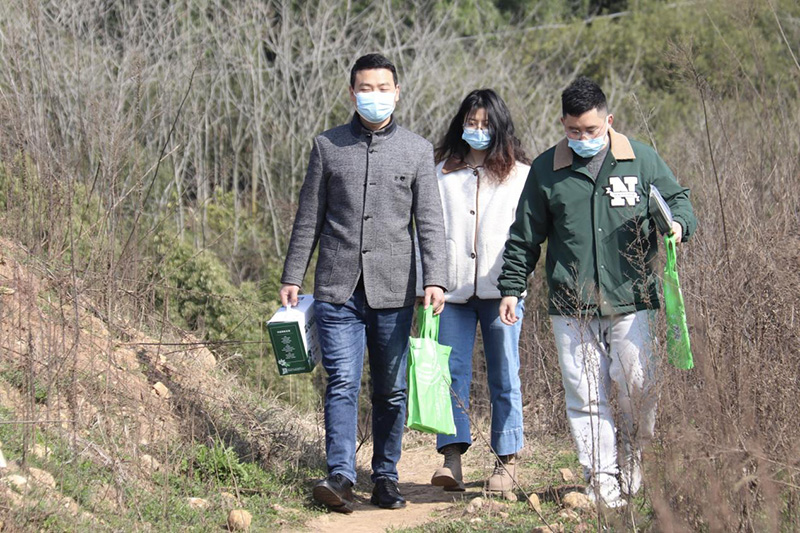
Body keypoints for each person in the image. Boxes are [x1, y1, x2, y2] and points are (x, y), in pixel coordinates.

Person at [497, 77, 697, 508]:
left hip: (632, 298)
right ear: (562, 124)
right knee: (585, 398)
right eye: (573, 131)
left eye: (591, 130)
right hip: (572, 305)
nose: (583, 138)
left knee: (638, 389)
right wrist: (512, 287)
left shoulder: (640, 160)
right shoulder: (547, 170)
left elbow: (679, 201)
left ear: (608, 121)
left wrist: (678, 226)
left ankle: (631, 463)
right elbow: (524, 236)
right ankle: (601, 481)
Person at [279, 53, 447, 514]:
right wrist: (293, 274)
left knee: (391, 388)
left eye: (382, 88)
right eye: (365, 89)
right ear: (351, 93)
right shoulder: (327, 146)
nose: (374, 96)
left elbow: (430, 222)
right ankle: (341, 475)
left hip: (395, 289)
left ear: (397, 92)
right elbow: (308, 216)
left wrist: (436, 279)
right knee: (342, 381)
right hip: (337, 286)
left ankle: (387, 476)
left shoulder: (417, 149)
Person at [423, 89, 531, 495]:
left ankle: (507, 460)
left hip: (502, 289)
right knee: (449, 375)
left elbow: (527, 236)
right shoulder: (439, 171)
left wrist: (517, 285)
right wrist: (426, 284)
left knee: (505, 372)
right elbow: (426, 233)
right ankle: (451, 459)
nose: (478, 130)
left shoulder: (521, 174)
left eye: (486, 124)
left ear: (499, 127)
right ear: (460, 124)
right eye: (472, 122)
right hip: (449, 290)